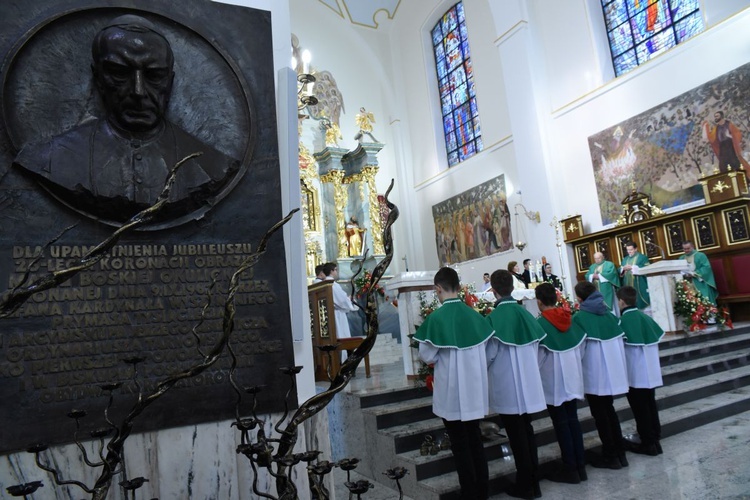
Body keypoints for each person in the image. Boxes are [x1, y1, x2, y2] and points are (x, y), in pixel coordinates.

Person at [13, 15, 240, 224]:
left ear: (170, 82)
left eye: (154, 76)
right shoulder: (49, 159)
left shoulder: (214, 164)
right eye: (120, 72)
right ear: (98, 78)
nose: (138, 91)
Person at [412, 267, 494, 500]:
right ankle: (482, 492)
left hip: (452, 392)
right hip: (475, 390)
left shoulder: (436, 319)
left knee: (459, 445)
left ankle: (469, 493)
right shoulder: (475, 316)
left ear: (438, 288)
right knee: (475, 440)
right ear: (458, 287)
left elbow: (427, 356)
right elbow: (487, 351)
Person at [486, 270, 547, 499]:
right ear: (513, 288)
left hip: (507, 384)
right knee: (527, 431)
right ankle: (534, 481)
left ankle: (525, 485)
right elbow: (541, 348)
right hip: (529, 383)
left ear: (493, 291)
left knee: (516, 435)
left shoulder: (493, 318)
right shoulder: (526, 315)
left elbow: (489, 354)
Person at [572, 281, 629, 470]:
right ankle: (620, 453)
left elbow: (579, 350)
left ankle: (610, 455)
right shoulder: (609, 314)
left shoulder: (581, 317)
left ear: (580, 298)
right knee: (610, 411)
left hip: (594, 373)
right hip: (611, 372)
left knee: (600, 415)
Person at [535, 283, 587, 484]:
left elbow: (537, 359)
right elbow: (580, 349)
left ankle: (570, 468)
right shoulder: (570, 319)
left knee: (561, 423)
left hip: (553, 381)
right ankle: (580, 466)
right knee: (573, 420)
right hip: (572, 378)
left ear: (539, 302)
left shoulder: (540, 325)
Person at [617, 286, 664, 457]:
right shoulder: (646, 318)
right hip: (650, 373)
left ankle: (648, 443)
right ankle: (655, 438)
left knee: (640, 409)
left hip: (635, 375)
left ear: (621, 301)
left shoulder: (622, 322)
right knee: (650, 405)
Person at [322, 262, 358, 339]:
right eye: (336, 270)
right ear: (331, 271)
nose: (337, 272)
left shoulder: (323, 284)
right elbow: (341, 301)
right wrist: (349, 299)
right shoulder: (333, 285)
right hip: (337, 314)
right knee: (341, 335)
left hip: (328, 314)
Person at [680, 241, 718, 306]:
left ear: (692, 247)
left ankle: (709, 314)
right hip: (687, 282)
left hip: (700, 282)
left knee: (705, 300)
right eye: (684, 249)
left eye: (688, 248)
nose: (686, 250)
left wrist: (694, 273)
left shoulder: (700, 255)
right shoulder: (681, 258)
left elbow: (706, 267)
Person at [620, 241, 650, 309]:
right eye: (628, 250)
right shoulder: (625, 259)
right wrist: (623, 269)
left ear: (635, 249)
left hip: (639, 284)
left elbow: (647, 268)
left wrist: (632, 267)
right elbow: (620, 270)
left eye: (631, 250)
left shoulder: (642, 257)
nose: (629, 252)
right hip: (628, 285)